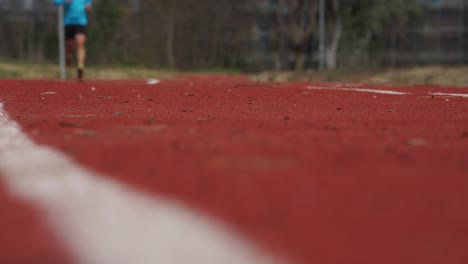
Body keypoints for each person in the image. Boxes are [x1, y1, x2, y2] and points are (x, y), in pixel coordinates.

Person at [54, 0, 92, 81]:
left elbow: (88, 2)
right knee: (69, 45)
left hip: (81, 22)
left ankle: (80, 67)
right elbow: (56, 2)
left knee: (80, 42)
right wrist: (65, 1)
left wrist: (88, 5)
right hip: (69, 22)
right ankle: (68, 57)